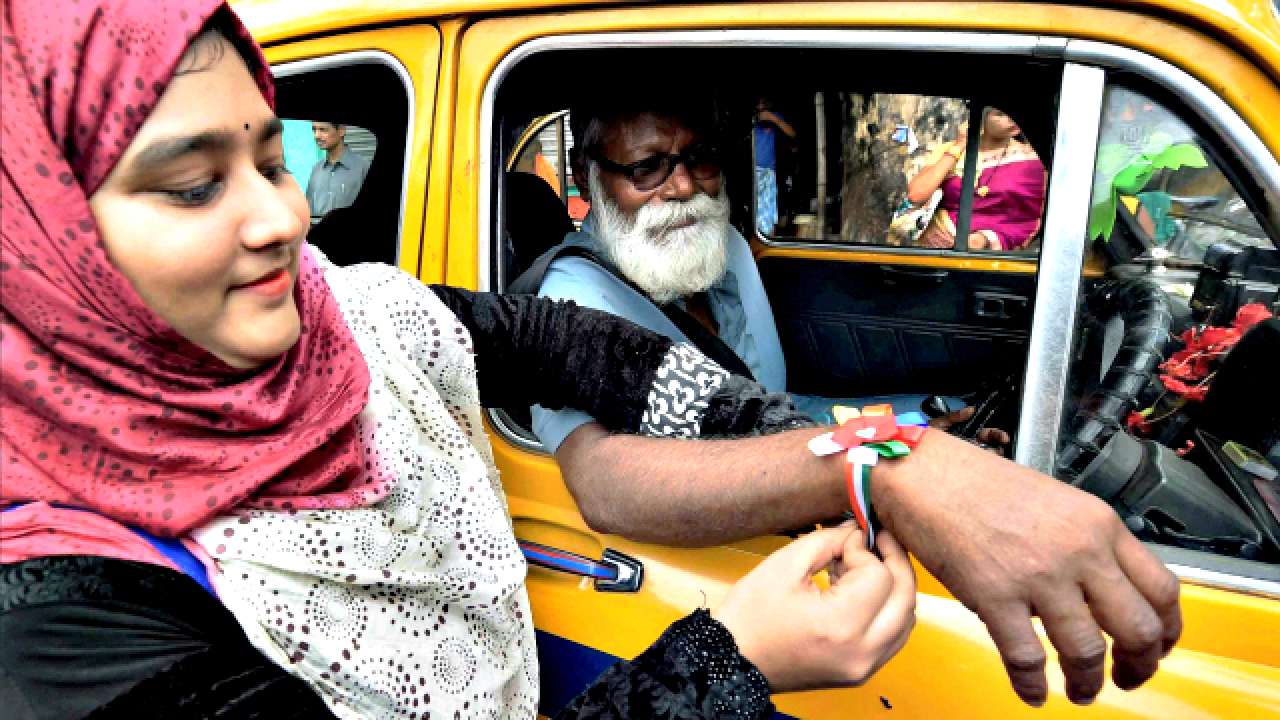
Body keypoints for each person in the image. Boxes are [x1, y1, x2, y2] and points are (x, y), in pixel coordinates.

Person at [0, 3, 918, 718]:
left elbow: (569, 350)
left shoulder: (345, 312)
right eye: (195, 186)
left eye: (272, 162)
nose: (288, 220)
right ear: (35, 239)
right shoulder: (58, 626)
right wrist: (735, 659)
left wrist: (879, 461)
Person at [528, 89, 1181, 708]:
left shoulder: (720, 248)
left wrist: (919, 425)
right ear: (589, 183)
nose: (682, 186)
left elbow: (769, 408)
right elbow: (605, 484)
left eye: (697, 158)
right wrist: (876, 464)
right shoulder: (568, 302)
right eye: (646, 168)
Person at [907, 107, 1047, 251]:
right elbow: (916, 195)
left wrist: (984, 238)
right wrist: (960, 145)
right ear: (981, 117)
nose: (1012, 119)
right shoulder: (951, 150)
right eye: (1000, 114)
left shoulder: (1031, 159)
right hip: (937, 246)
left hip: (990, 254)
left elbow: (1030, 219)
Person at [305, 120, 371, 217]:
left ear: (341, 130)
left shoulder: (363, 167)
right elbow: (308, 210)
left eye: (323, 130)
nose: (316, 136)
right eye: (314, 130)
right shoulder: (316, 170)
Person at [753, 98, 796, 236]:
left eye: (764, 102)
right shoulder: (751, 118)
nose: (761, 106)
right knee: (754, 210)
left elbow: (792, 133)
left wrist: (774, 119)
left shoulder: (774, 117)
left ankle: (769, 241)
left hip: (768, 171)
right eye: (758, 103)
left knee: (769, 212)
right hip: (752, 171)